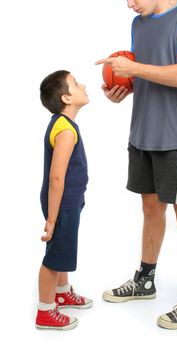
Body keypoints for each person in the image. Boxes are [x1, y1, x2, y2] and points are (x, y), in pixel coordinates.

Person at [96, 0, 177, 330]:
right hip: (142, 132)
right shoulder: (139, 24)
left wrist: (136, 70)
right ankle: (145, 280)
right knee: (149, 208)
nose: (129, 3)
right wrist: (124, 89)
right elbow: (149, 75)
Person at [35, 70, 93, 331]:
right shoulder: (66, 131)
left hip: (68, 202)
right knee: (55, 256)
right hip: (61, 205)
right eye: (76, 83)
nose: (83, 85)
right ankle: (45, 311)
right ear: (67, 98)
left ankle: (62, 292)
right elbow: (56, 178)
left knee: (64, 249)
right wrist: (52, 219)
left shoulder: (64, 124)